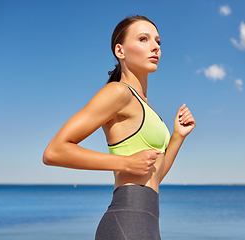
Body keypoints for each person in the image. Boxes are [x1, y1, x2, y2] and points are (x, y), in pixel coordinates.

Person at [42, 15, 195, 240]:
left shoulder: (146, 107)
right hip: (127, 221)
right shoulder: (118, 93)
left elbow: (155, 175)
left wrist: (177, 137)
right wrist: (126, 162)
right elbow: (54, 152)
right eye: (144, 39)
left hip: (149, 223)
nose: (155, 47)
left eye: (158, 42)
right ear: (120, 51)